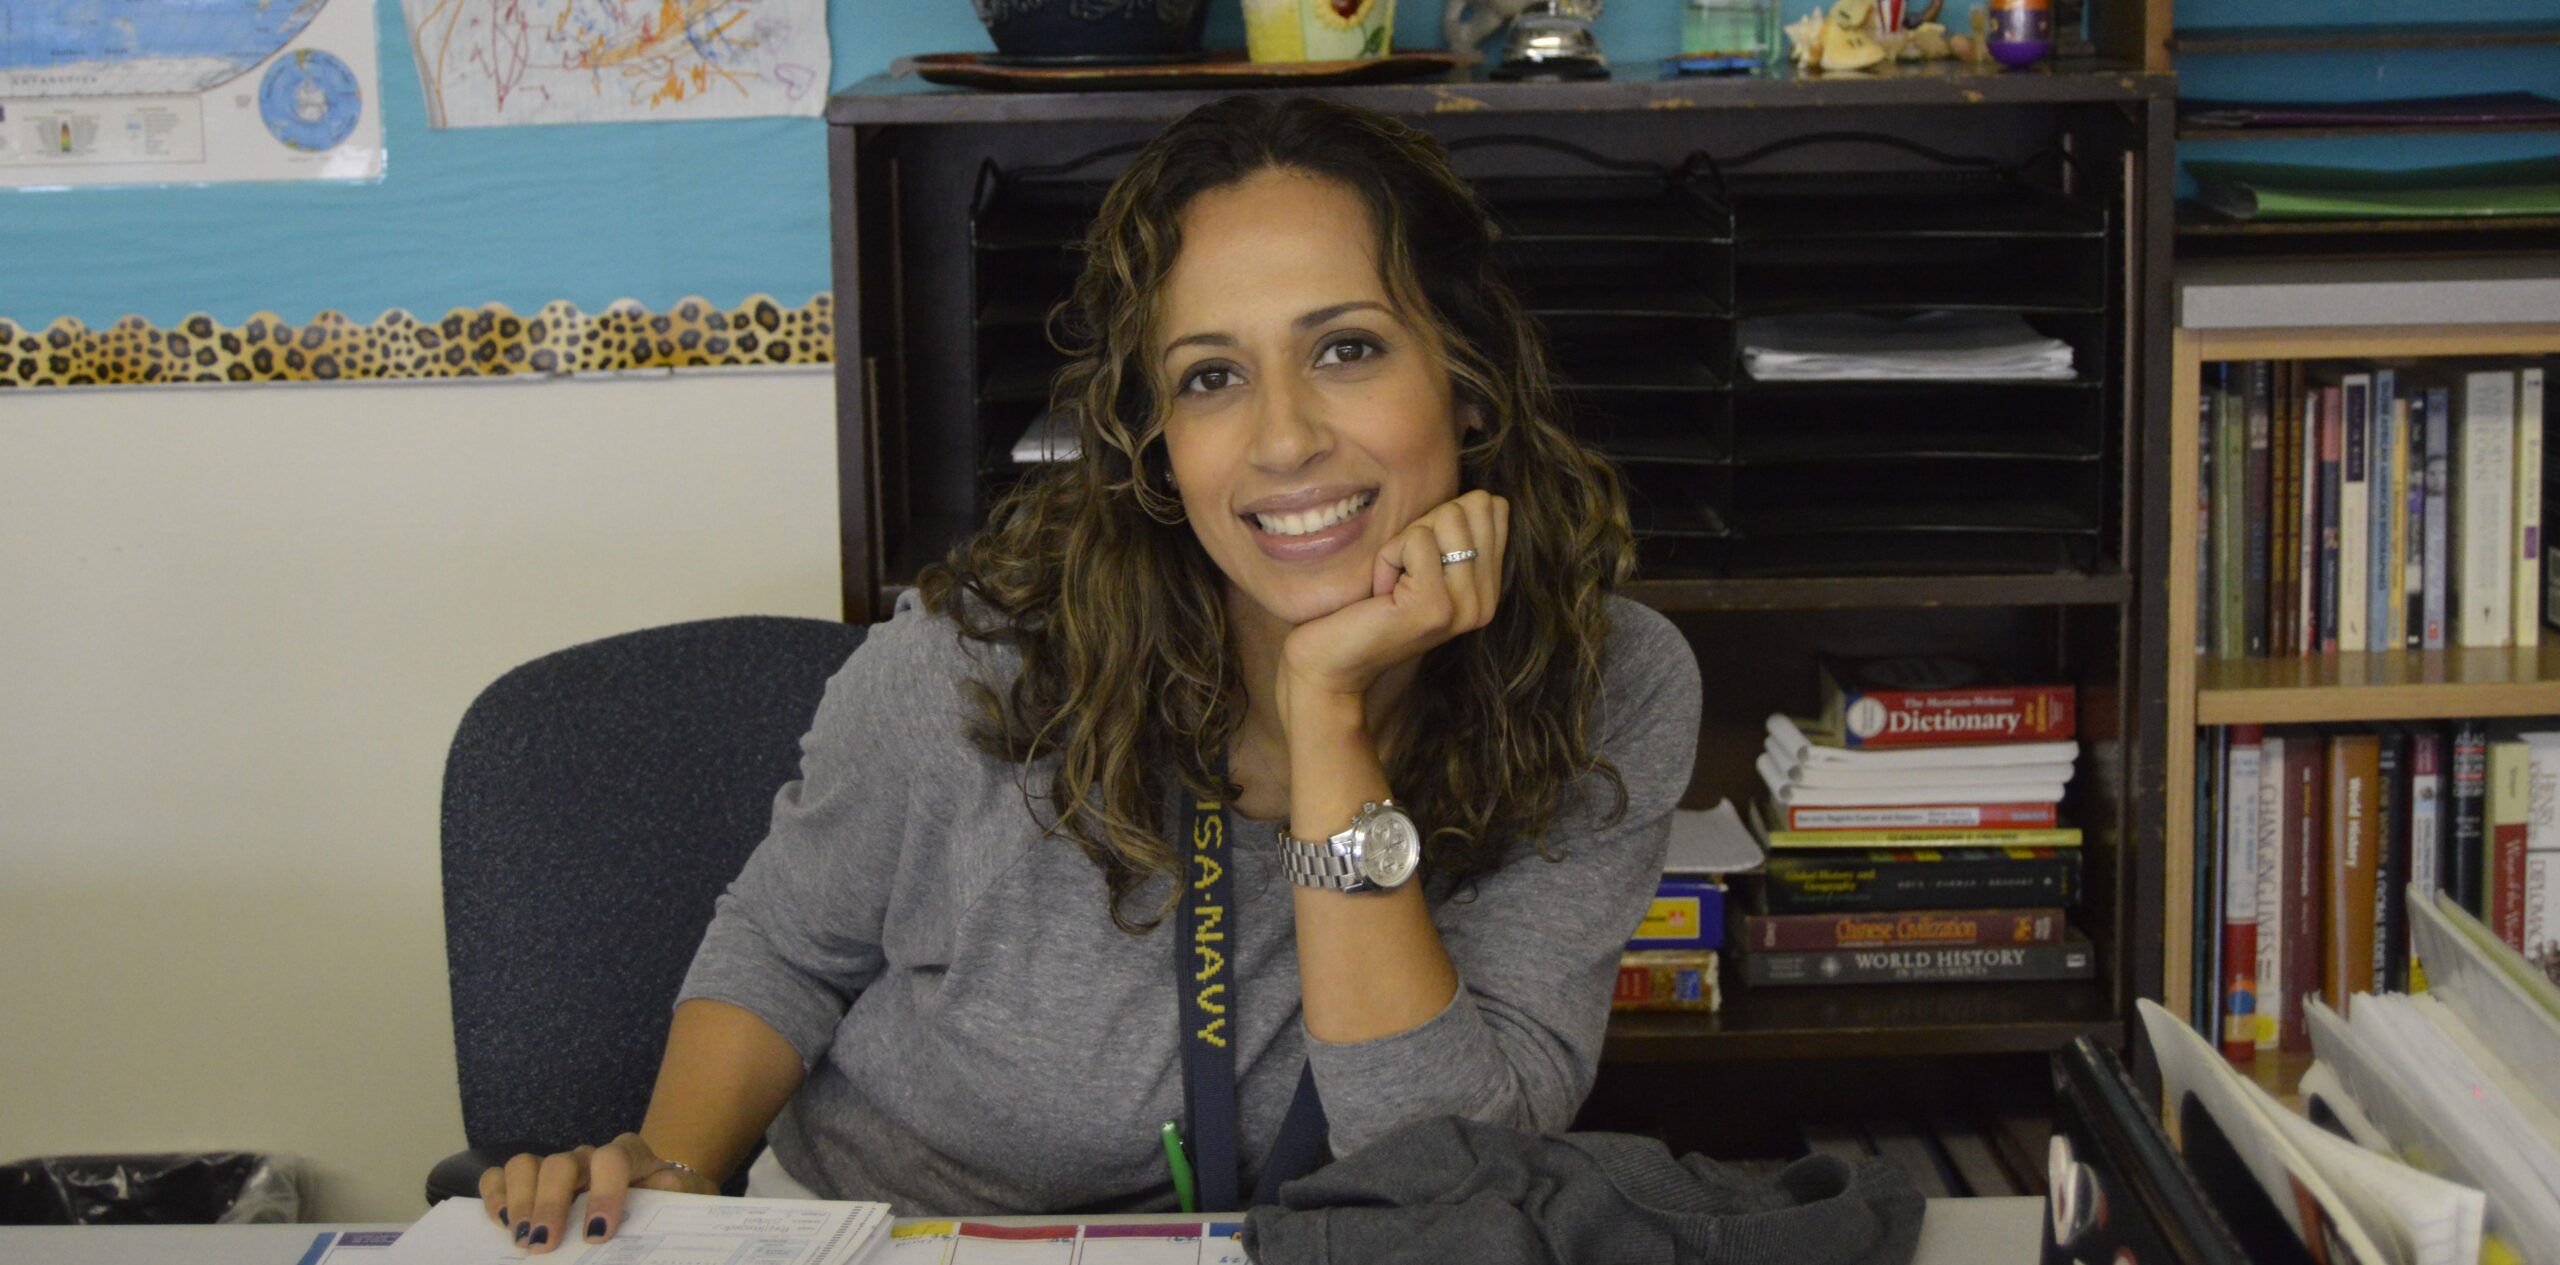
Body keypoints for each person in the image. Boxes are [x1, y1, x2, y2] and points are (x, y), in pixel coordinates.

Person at [480, 93, 1701, 1252]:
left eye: (1345, 347)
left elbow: (1454, 1164)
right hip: (930, 1240)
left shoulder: (1600, 682)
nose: (1283, 438)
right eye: (1210, 376)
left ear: (1468, 380)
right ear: (1158, 444)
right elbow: (786, 944)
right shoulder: (978, 658)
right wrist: (678, 1180)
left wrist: (1328, 719)